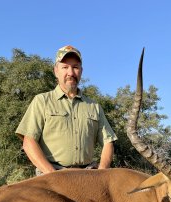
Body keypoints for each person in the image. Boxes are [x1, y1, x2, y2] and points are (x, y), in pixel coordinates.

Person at [16, 45, 117, 175]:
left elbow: (108, 142)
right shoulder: (41, 101)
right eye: (65, 67)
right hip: (52, 174)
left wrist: (101, 172)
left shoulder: (94, 106)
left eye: (75, 67)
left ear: (81, 70)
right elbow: (29, 142)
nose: (71, 73)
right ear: (56, 71)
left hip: (88, 175)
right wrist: (51, 174)